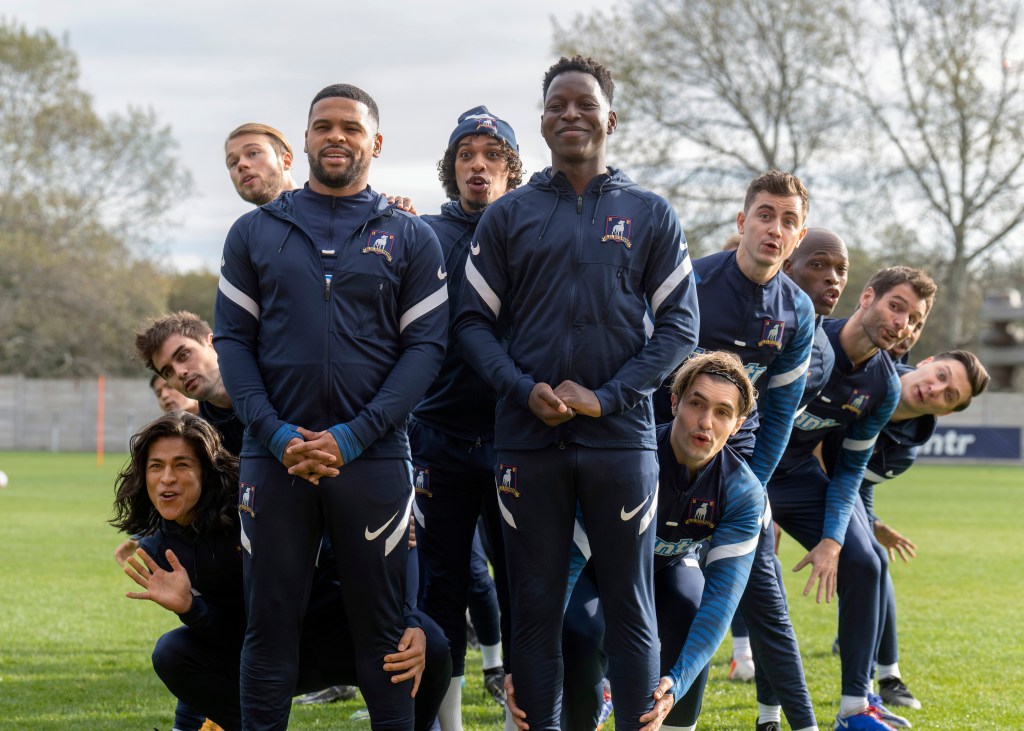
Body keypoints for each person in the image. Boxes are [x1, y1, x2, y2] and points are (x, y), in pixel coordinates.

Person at [454, 56, 699, 731]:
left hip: (621, 442)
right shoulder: (507, 217)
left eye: (584, 104)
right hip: (526, 441)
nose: (570, 114)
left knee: (630, 603)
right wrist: (521, 387)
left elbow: (682, 326)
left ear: (609, 119)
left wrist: (609, 396)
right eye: (557, 104)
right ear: (541, 121)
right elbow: (470, 323)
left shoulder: (650, 213)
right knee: (533, 605)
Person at [214, 83, 448, 731]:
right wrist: (275, 431)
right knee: (269, 629)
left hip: (373, 460)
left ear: (375, 142)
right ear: (307, 138)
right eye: (323, 126)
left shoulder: (410, 236)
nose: (336, 136)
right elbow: (232, 343)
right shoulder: (255, 232)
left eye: (350, 126)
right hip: (273, 456)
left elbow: (425, 349)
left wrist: (353, 435)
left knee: (385, 634)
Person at [111, 412, 451, 731]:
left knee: (429, 643)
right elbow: (229, 634)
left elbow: (383, 555)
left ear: (206, 470)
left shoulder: (256, 504)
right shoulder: (160, 550)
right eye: (156, 467)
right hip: (265, 656)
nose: (166, 478)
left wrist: (408, 619)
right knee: (172, 653)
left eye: (181, 465)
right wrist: (190, 608)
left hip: (342, 637)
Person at [655, 171, 820, 731]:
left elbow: (778, 417)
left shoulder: (798, 312)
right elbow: (650, 381)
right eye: (766, 215)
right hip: (658, 458)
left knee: (767, 604)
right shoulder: (691, 282)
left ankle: (803, 723)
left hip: (734, 468)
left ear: (798, 237)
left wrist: (747, 491)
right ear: (742, 221)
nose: (775, 228)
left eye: (789, 220)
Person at [770, 266, 935, 731]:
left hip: (798, 477)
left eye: (915, 320)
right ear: (867, 298)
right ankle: (605, 682)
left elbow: (848, 473)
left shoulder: (882, 387)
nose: (903, 322)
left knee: (864, 562)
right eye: (896, 306)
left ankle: (853, 707)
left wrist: (833, 540)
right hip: (741, 467)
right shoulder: (806, 337)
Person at [561, 351, 763, 731]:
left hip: (666, 566)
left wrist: (677, 683)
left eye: (722, 412)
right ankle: (586, 712)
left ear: (737, 425)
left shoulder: (743, 492)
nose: (705, 422)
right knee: (579, 629)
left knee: (692, 608)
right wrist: (527, 662)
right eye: (696, 404)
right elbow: (569, 561)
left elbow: (721, 603)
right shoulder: (628, 462)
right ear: (674, 402)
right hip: (599, 566)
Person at [410, 105, 523, 729]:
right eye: (465, 155)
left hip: (517, 438)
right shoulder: (420, 232)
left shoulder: (532, 228)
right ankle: (445, 721)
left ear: (511, 167)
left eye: (492, 155)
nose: (478, 165)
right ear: (451, 169)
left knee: (519, 587)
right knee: (440, 590)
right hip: (439, 438)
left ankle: (519, 716)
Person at [823, 350, 990, 711]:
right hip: (791, 464)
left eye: (948, 395)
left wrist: (871, 524)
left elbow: (849, 483)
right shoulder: (866, 374)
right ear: (927, 361)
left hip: (841, 483)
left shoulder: (904, 451)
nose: (935, 389)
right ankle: (746, 660)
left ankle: (882, 679)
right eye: (941, 375)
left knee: (874, 561)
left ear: (945, 412)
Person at [224, 122, 299, 205]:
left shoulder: (315, 208)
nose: (241, 164)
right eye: (233, 163)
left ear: (286, 161)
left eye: (253, 153)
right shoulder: (248, 218)